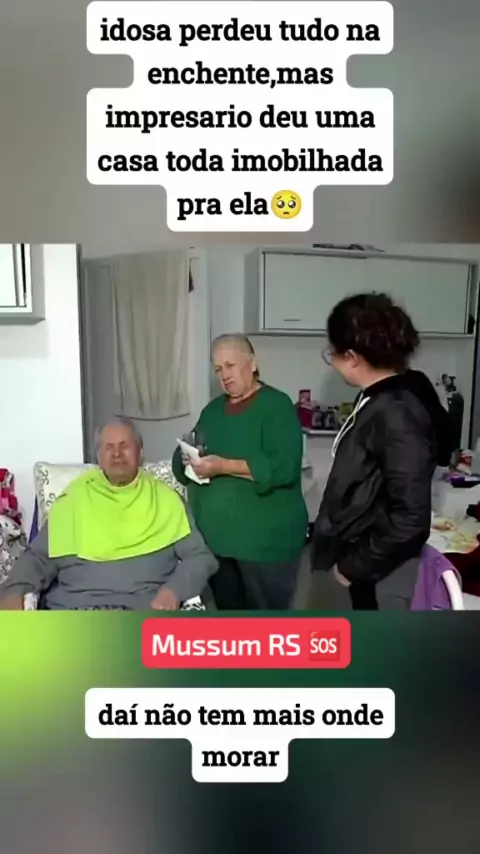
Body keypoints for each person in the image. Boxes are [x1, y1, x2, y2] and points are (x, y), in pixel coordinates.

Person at [311, 293, 455, 610]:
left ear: (352, 356)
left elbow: (410, 518)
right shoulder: (379, 396)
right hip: (361, 552)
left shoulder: (396, 411)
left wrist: (352, 568)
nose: (332, 361)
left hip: (377, 570)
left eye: (332, 353)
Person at [0, 418, 217, 610]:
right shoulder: (71, 501)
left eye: (125, 446)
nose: (117, 454)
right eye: (109, 447)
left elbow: (200, 557)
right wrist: (14, 592)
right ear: (98, 456)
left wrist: (173, 591)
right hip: (75, 612)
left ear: (140, 452)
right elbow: (37, 559)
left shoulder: (166, 501)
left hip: (142, 614)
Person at [172, 334, 308, 610]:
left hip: (265, 546)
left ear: (253, 364)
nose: (224, 375)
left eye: (230, 365)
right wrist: (186, 456)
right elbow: (181, 463)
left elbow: (284, 467)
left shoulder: (276, 406)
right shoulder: (212, 411)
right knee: (230, 621)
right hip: (217, 543)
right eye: (218, 369)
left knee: (267, 623)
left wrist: (223, 466)